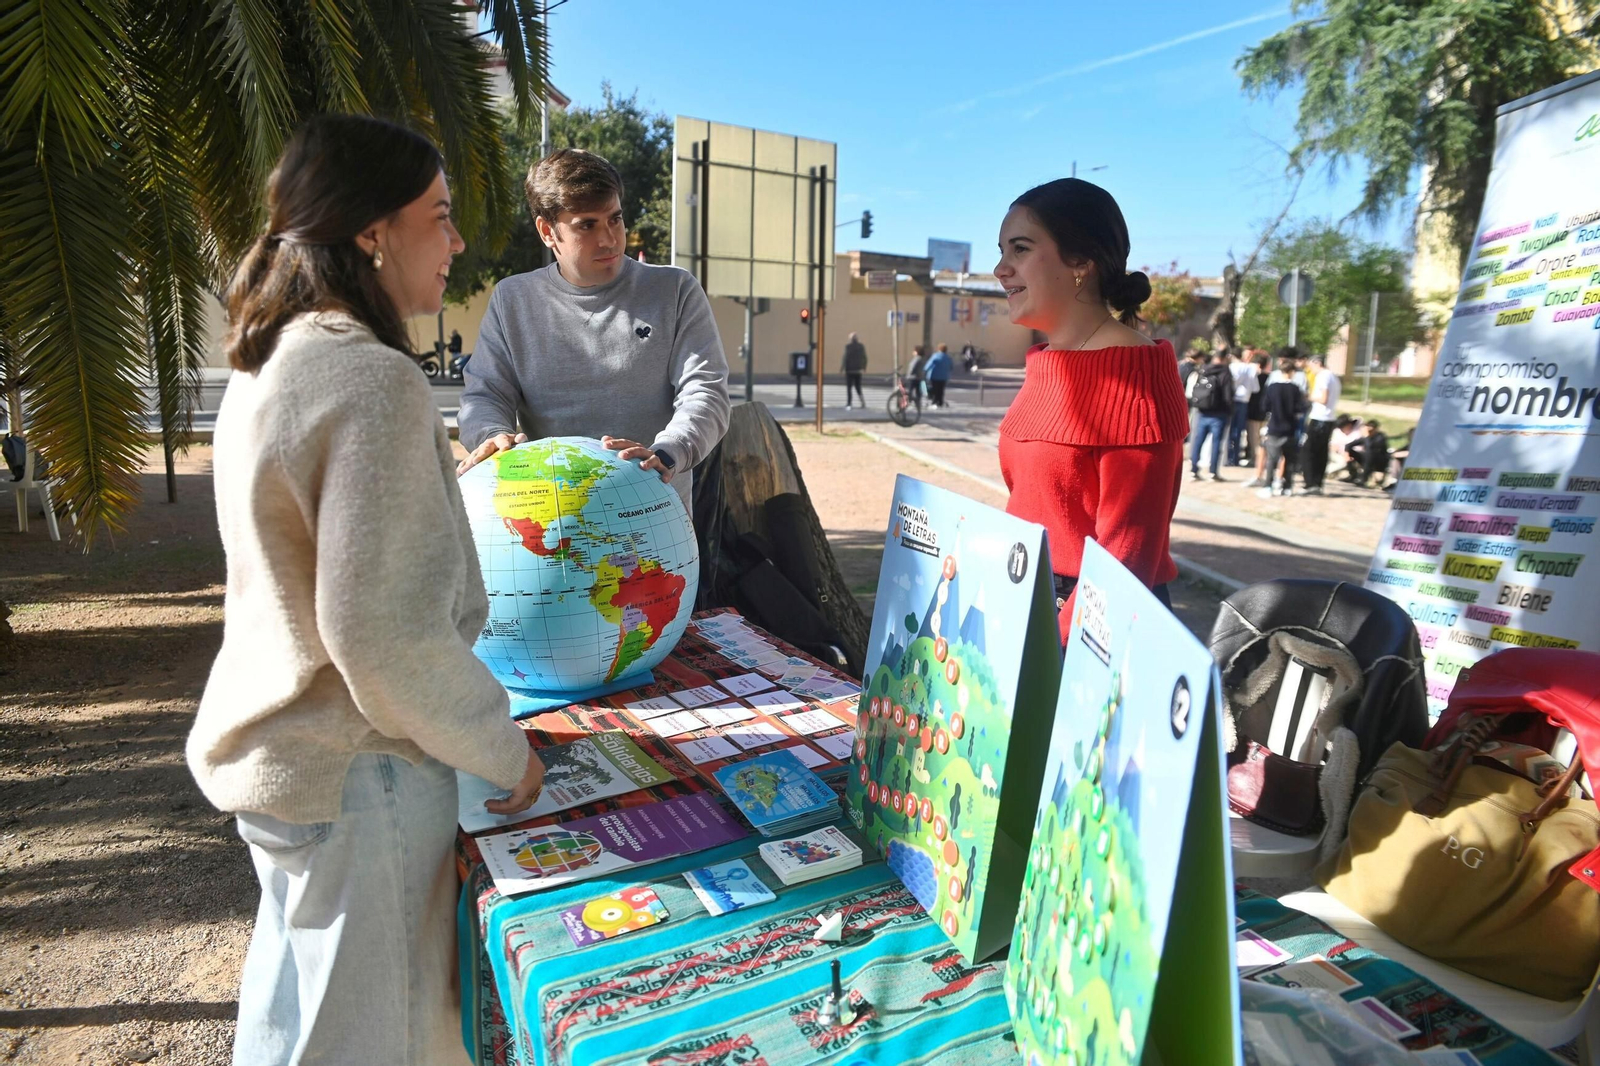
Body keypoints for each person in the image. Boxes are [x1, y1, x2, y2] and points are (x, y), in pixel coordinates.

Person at [187, 114, 547, 1065]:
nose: (460, 241)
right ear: (372, 232)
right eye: (441, 215)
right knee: (375, 1040)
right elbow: (382, 636)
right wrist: (501, 749)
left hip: (294, 766)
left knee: (297, 1018)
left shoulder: (272, 361)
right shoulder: (372, 377)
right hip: (362, 773)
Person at [456, 148, 730, 510]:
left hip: (656, 520)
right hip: (550, 522)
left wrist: (667, 452)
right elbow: (484, 396)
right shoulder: (513, 299)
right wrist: (494, 437)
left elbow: (706, 391)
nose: (610, 239)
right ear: (547, 231)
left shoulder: (675, 290)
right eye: (587, 224)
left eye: (615, 219)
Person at [994, 177, 1189, 639]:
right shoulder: (1046, 362)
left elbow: (1126, 560)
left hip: (1095, 627)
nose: (1001, 269)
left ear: (1081, 261)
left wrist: (1048, 650)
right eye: (1001, 251)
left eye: (1019, 249)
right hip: (1025, 603)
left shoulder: (1135, 372)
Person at [1256, 354, 1308, 497]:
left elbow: (1264, 405)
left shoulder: (1272, 388)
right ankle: (1287, 486)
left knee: (1272, 459)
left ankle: (1268, 485)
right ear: (1292, 372)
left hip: (1274, 426)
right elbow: (1301, 408)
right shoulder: (1295, 389)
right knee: (1289, 459)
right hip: (1290, 427)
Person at [1188, 348, 1234, 481]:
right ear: (1225, 358)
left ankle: (1194, 469)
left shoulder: (1204, 369)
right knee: (1216, 443)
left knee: (1198, 441)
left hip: (1202, 411)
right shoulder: (1225, 372)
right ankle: (1213, 472)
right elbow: (1228, 394)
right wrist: (1230, 410)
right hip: (1219, 413)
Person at [1299, 354, 1341, 495]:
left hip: (1320, 418)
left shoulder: (1323, 376)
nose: (1311, 369)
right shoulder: (1334, 377)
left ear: (1317, 363)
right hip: (1329, 418)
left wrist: (1308, 397)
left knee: (1309, 451)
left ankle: (1310, 482)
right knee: (1321, 452)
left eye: (1311, 365)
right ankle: (1317, 482)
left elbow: (1323, 398)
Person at [1225, 345, 1259, 467]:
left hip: (1232, 400)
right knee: (1238, 430)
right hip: (1244, 400)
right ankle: (1235, 458)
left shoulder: (1230, 367)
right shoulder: (1250, 369)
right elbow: (1255, 388)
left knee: (1229, 430)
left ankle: (1228, 456)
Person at [1245, 351, 1270, 474]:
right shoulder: (1270, 379)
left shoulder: (1255, 378)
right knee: (1262, 437)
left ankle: (1256, 459)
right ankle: (1262, 458)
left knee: (1254, 438)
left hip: (1253, 411)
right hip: (1265, 413)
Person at [1345, 419, 1390, 486]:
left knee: (1369, 454)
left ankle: (1363, 479)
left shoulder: (1380, 437)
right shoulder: (1366, 436)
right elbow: (1348, 445)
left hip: (1378, 461)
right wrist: (1347, 455)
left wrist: (1367, 437)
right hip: (1367, 459)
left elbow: (1370, 448)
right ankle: (1353, 475)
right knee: (1351, 452)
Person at [841, 331, 868, 408]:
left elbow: (845, 358)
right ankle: (862, 402)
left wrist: (842, 368)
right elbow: (865, 358)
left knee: (849, 388)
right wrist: (864, 367)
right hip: (858, 370)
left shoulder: (848, 347)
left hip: (849, 370)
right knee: (858, 387)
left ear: (850, 339)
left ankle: (849, 403)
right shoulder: (861, 346)